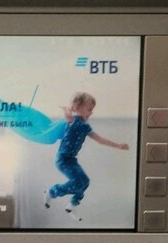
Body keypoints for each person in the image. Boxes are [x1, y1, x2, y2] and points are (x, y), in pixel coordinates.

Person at [43, 91, 129, 220]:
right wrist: (68, 111)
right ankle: (52, 192)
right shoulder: (72, 121)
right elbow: (68, 116)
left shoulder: (85, 126)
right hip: (63, 160)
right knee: (77, 182)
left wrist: (118, 145)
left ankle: (72, 205)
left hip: (72, 160)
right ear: (78, 108)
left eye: (92, 110)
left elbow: (100, 140)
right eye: (89, 109)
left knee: (85, 182)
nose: (91, 113)